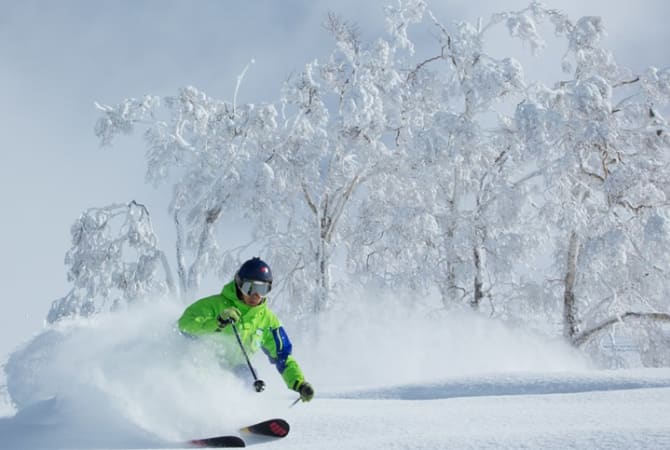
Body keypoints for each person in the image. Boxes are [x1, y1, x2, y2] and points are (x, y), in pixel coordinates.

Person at [178, 257, 314, 402]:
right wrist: (217, 322)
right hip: (203, 363)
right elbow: (184, 325)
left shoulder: (267, 320)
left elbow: (283, 356)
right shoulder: (214, 305)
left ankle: (240, 419)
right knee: (208, 375)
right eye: (250, 288)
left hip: (235, 368)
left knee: (248, 378)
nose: (256, 296)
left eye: (262, 289)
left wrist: (299, 383)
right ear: (239, 284)